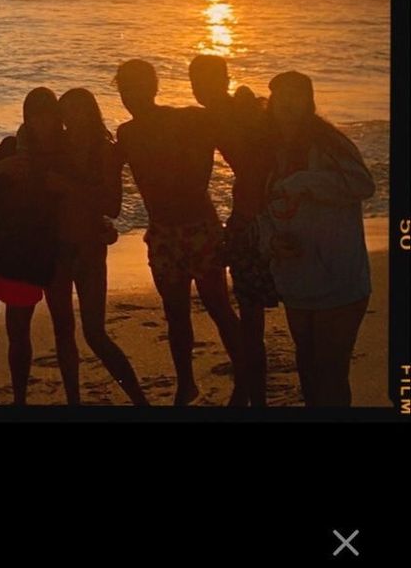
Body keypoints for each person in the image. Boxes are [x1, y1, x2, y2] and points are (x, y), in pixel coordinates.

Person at [115, 59, 248, 406]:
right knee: (175, 313)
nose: (132, 97)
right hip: (162, 232)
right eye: (126, 91)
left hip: (199, 227)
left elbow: (238, 154)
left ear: (153, 88)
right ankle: (185, 384)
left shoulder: (189, 119)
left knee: (218, 304)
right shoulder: (126, 133)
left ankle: (246, 379)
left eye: (138, 89)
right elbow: (104, 175)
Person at [259, 71, 374, 408]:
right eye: (282, 98)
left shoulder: (331, 144)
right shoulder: (269, 150)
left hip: (339, 279)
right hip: (297, 279)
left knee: (331, 373)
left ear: (309, 102)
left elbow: (364, 185)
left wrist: (307, 180)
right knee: (307, 369)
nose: (288, 105)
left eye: (296, 97)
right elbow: (264, 208)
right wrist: (272, 243)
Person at [44, 88, 148, 405]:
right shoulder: (53, 148)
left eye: (80, 110)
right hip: (56, 249)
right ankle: (73, 399)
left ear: (91, 113)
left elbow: (113, 206)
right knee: (63, 329)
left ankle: (139, 399)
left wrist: (70, 188)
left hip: (89, 249)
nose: (73, 117)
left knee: (94, 332)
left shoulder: (105, 151)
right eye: (67, 111)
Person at [0, 87, 66, 405]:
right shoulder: (10, 146)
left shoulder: (63, 155)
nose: (40, 121)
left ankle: (19, 400)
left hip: (30, 254)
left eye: (47, 113)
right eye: (34, 114)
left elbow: (69, 201)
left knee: (18, 331)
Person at [189, 54, 276, 407]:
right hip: (253, 215)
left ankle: (251, 395)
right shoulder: (234, 110)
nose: (199, 89)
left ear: (222, 81)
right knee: (251, 315)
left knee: (253, 317)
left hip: (257, 217)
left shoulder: (228, 114)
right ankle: (249, 392)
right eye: (195, 82)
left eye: (205, 81)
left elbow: (256, 165)